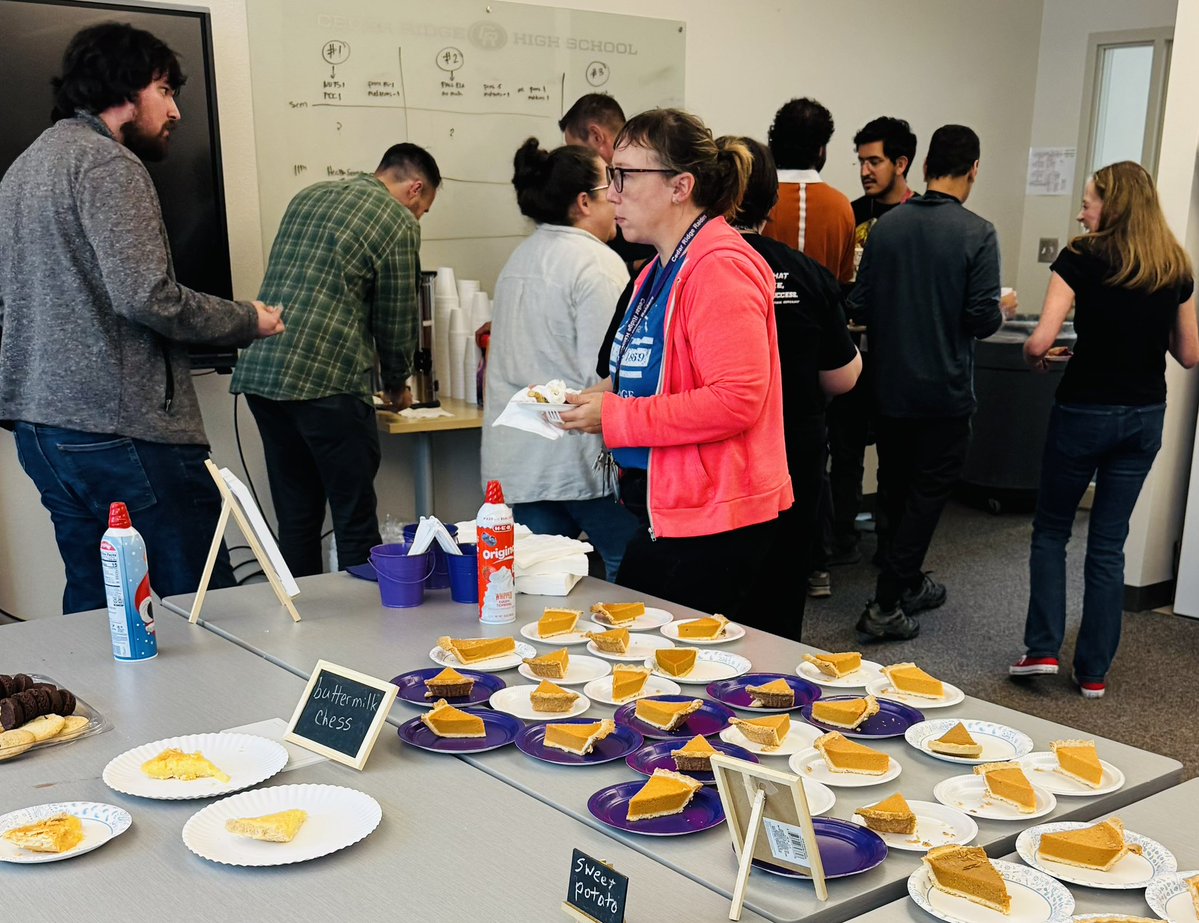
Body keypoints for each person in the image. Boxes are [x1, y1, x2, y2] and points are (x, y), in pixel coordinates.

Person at [0, 22, 284, 614]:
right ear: (127, 86)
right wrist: (245, 321)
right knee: (197, 610)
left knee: (99, 609)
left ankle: (86, 713)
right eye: (166, 89)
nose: (176, 109)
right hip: (125, 431)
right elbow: (147, 297)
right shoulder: (109, 165)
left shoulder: (23, 170)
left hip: (44, 428)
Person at [560, 109, 793, 620]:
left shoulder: (718, 268)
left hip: (716, 521)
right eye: (610, 176)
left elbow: (735, 400)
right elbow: (651, 378)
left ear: (680, 186)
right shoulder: (658, 270)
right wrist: (594, 399)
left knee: (677, 678)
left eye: (624, 175)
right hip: (666, 508)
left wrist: (615, 417)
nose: (612, 192)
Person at [1011, 161, 1198, 698]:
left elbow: (1039, 341)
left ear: (1112, 204)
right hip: (1143, 417)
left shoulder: (1080, 256)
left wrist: (1039, 357)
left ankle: (1043, 648)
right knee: (1109, 544)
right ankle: (1093, 672)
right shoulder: (1174, 264)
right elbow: (1189, 353)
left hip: (1084, 411)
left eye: (1089, 199)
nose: (1080, 209)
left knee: (1051, 531)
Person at [230, 143, 440, 577]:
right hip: (327, 381)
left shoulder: (309, 196)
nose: (418, 217)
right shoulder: (397, 220)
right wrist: (398, 383)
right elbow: (396, 312)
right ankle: (363, 634)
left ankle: (302, 629)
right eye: (423, 209)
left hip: (263, 374)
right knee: (354, 520)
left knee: (297, 519)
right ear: (415, 189)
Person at [850, 124, 1013, 641]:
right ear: (976, 170)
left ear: (922, 168)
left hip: (889, 386)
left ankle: (908, 581)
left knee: (895, 489)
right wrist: (1001, 307)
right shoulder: (978, 232)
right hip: (943, 392)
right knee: (926, 496)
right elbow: (980, 321)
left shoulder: (887, 228)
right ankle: (887, 602)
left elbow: (860, 303)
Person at [481, 139, 638, 580]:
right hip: (577, 455)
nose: (619, 199)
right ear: (584, 202)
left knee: (546, 579)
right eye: (612, 186)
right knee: (626, 571)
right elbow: (607, 370)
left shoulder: (520, 257)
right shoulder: (598, 264)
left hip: (524, 455)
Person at [724, 136, 860, 638]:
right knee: (778, 606)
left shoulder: (678, 269)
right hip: (789, 459)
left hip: (713, 467)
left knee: (701, 615)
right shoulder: (805, 274)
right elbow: (842, 376)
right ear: (773, 203)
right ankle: (775, 699)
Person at [817, 117, 921, 579]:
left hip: (899, 356)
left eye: (874, 161)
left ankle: (892, 544)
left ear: (901, 164)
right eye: (860, 161)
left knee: (899, 455)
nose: (865, 170)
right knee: (844, 448)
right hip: (851, 351)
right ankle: (840, 537)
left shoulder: (919, 218)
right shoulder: (850, 213)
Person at [559, 93, 656, 275]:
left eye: (578, 150)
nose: (612, 196)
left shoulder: (650, 176)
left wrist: (630, 268)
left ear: (596, 136)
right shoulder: (600, 181)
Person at [763, 98, 856, 284]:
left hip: (764, 311)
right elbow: (845, 279)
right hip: (823, 312)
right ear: (821, 150)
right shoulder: (841, 206)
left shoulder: (757, 199)